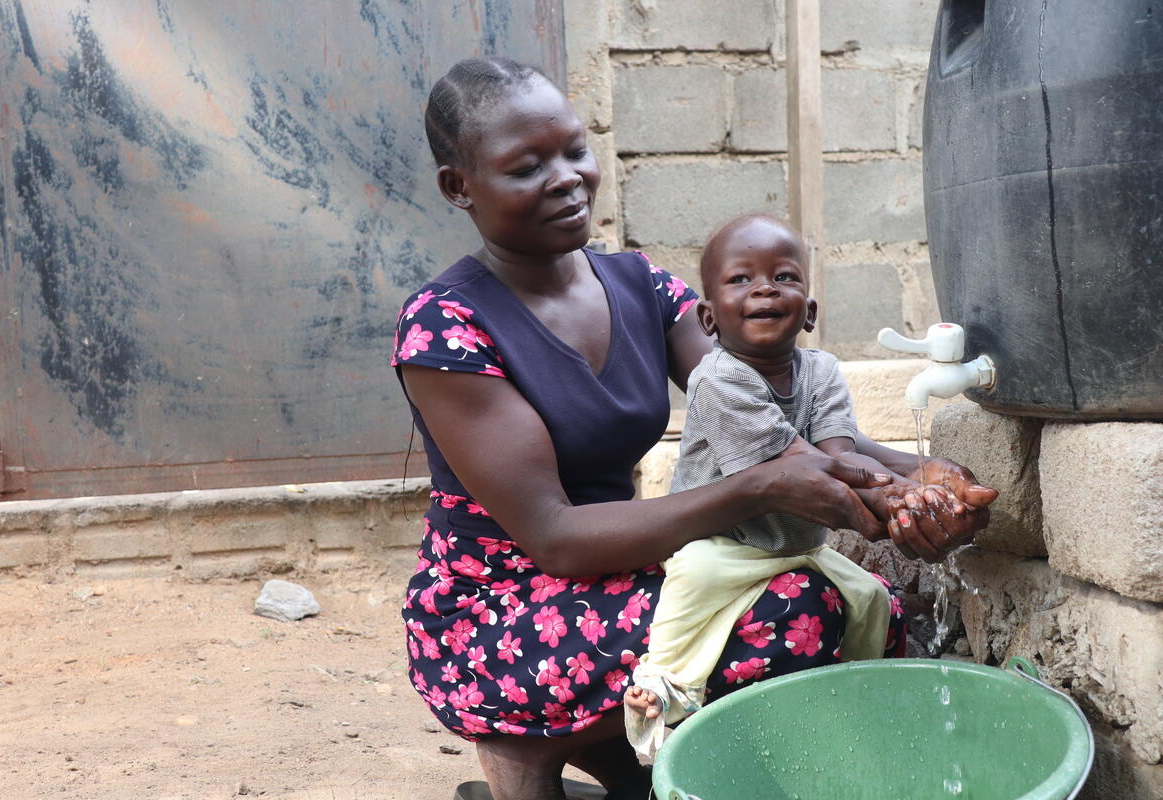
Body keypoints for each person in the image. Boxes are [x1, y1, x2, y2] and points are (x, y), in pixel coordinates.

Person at [390, 56, 997, 800]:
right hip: (499, 611)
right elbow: (552, 535)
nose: (566, 178)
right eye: (527, 167)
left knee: (869, 602)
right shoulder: (446, 325)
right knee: (795, 611)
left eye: (575, 151)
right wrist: (762, 488)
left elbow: (774, 424)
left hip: (625, 568)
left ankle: (649, 770)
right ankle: (526, 752)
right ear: (460, 187)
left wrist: (920, 480)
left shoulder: (640, 285)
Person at [622, 214, 972, 761]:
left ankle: (864, 691)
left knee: (874, 597)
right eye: (741, 280)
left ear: (808, 311)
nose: (764, 287)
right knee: (688, 588)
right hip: (724, 544)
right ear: (709, 319)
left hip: (797, 547)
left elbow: (839, 453)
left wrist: (922, 484)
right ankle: (661, 687)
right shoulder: (716, 379)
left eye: (783, 276)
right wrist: (902, 494)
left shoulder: (822, 371)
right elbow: (802, 464)